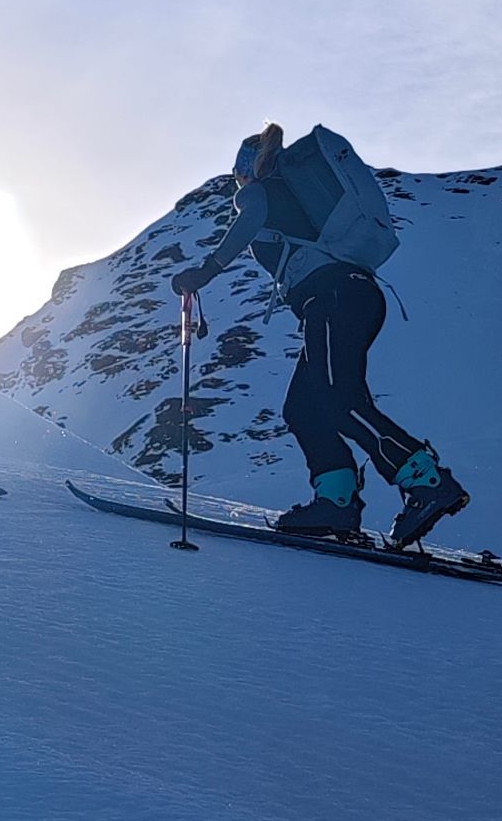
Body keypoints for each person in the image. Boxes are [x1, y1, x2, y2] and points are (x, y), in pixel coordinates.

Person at [169, 123, 468, 550]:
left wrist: (206, 272)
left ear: (245, 169)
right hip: (348, 296)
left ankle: (427, 481)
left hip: (333, 298)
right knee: (305, 408)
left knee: (340, 399)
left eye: (238, 175)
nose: (238, 183)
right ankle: (336, 501)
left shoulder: (258, 192)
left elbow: (249, 218)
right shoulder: (292, 196)